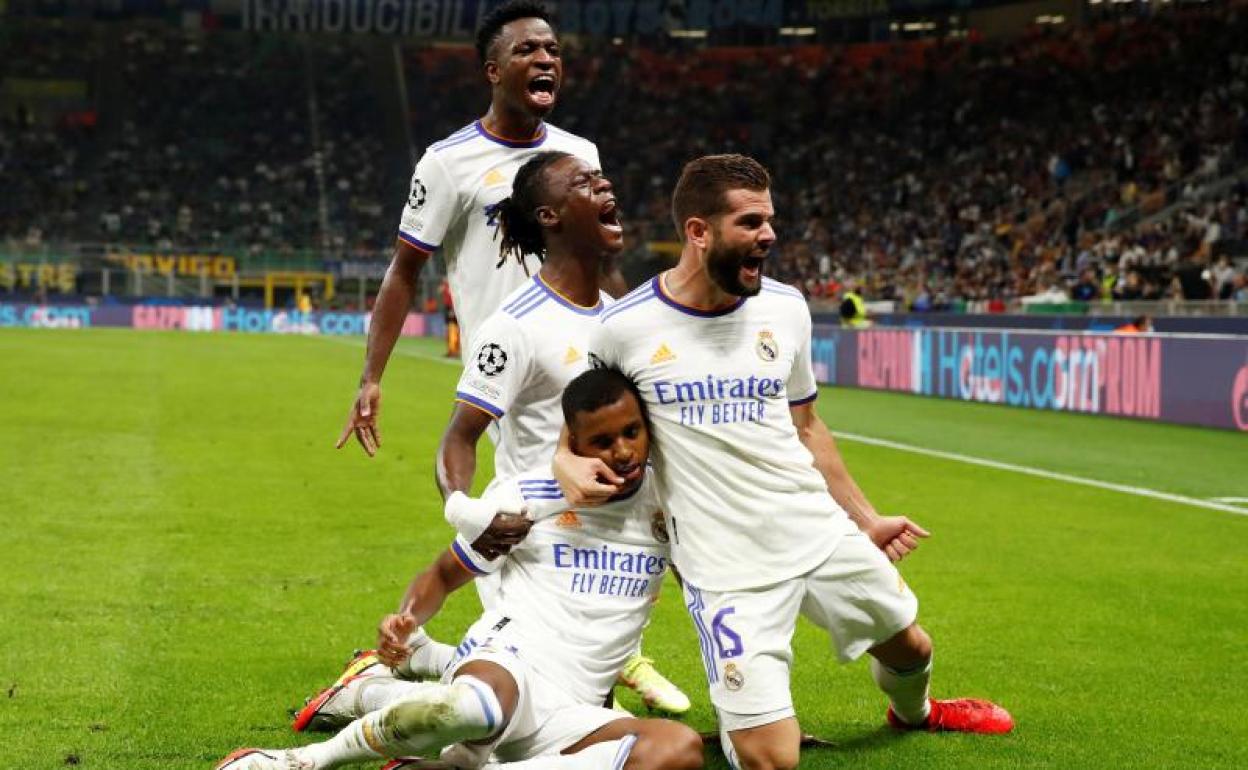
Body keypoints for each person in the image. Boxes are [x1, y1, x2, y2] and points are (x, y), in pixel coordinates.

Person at [557, 155, 1013, 770]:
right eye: (750, 223)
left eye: (770, 220)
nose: (769, 235)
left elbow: (808, 425)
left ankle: (917, 712)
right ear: (698, 232)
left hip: (815, 530)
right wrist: (566, 463)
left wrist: (865, 518)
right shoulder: (625, 328)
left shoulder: (786, 308)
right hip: (726, 569)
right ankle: (741, 716)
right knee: (773, 759)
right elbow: (584, 424)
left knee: (910, 647)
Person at [216, 369, 704, 770]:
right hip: (509, 662)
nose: (621, 450)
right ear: (571, 443)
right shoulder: (528, 498)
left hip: (577, 710)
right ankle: (305, 761)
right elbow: (445, 574)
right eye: (601, 440)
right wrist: (406, 620)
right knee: (476, 708)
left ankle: (453, 765)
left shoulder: (669, 503)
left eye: (631, 432)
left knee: (678, 750)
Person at [336, 0, 621, 459]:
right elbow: (405, 270)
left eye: (552, 49)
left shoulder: (580, 154)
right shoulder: (447, 163)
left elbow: (602, 263)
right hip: (508, 367)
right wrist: (371, 378)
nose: (545, 58)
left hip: (584, 349)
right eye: (526, 50)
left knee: (594, 496)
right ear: (493, 70)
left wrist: (629, 339)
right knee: (546, 500)